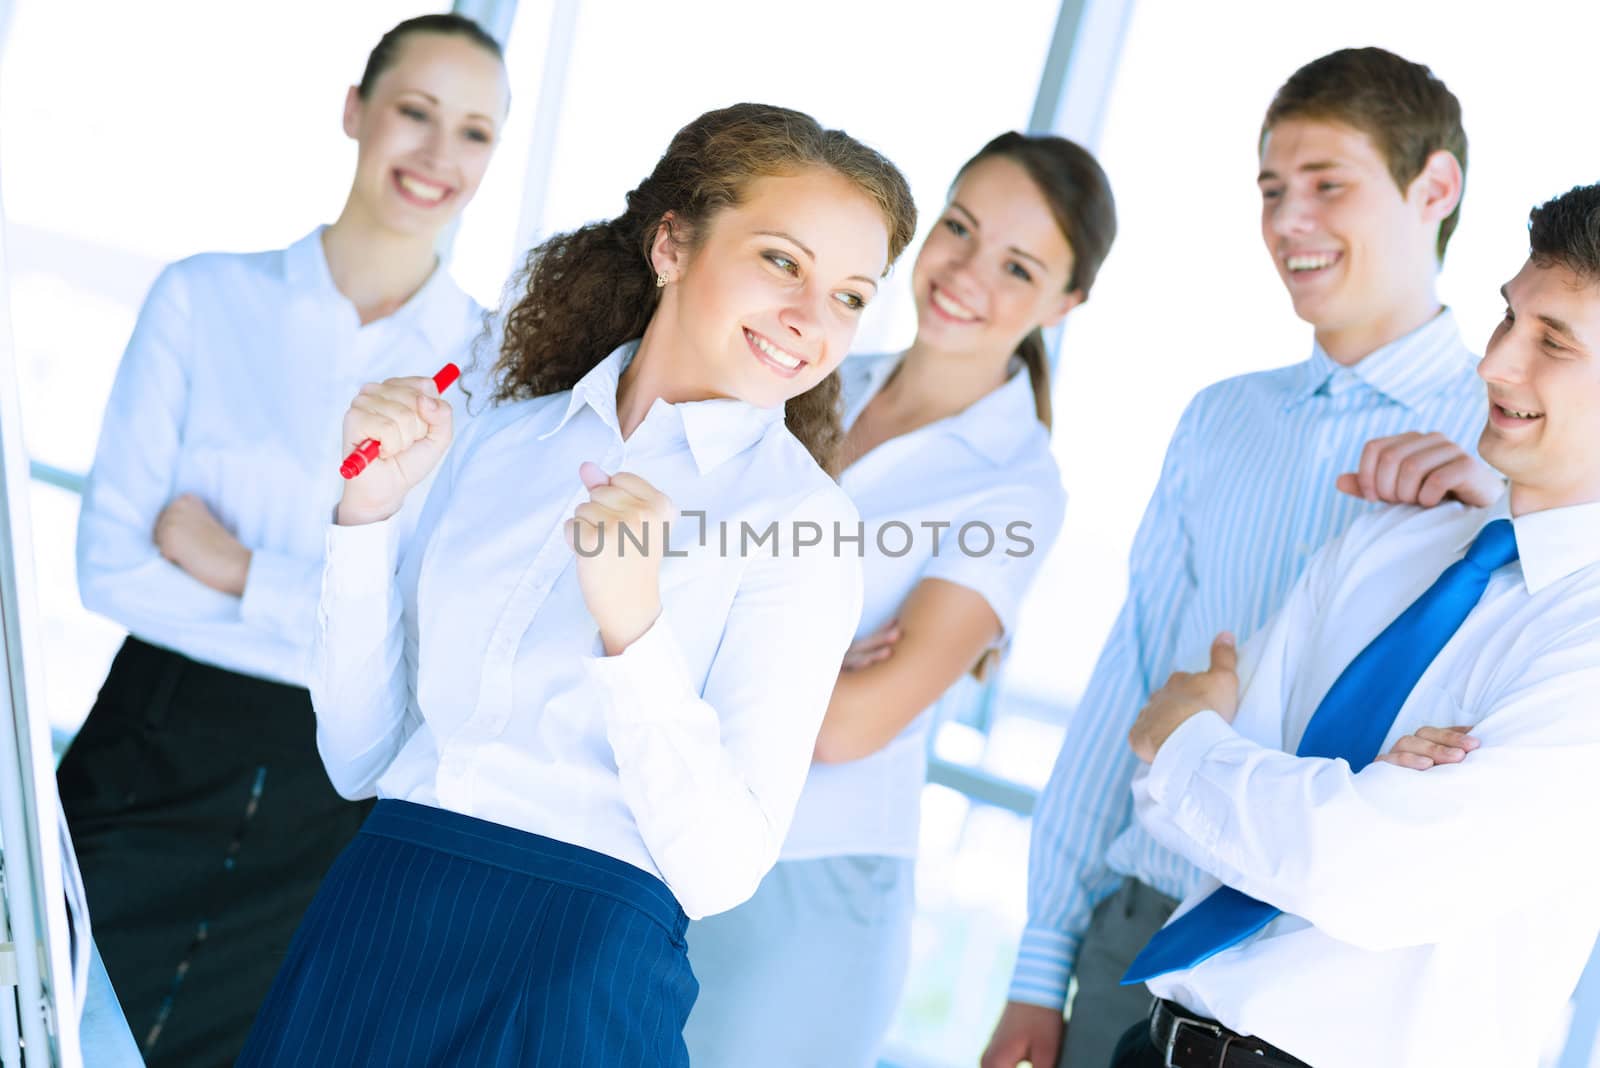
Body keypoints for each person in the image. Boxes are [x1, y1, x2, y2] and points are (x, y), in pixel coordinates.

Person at [234, 102, 918, 1067]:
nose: (812, 320)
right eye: (782, 262)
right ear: (672, 245)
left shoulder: (803, 525)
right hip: (377, 910)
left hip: (574, 971)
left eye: (852, 295)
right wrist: (369, 519)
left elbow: (722, 871)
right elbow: (360, 758)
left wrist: (632, 630)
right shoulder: (502, 443)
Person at [984, 47, 1503, 1068]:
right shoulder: (1222, 421)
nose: (1286, 222)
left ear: (1432, 187)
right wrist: (1039, 968)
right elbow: (1126, 681)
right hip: (1139, 936)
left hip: (1328, 970)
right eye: (1271, 189)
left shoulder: (1507, 446)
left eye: (1326, 186)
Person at [56, 15, 509, 1067]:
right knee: (47, 1019)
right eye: (414, 113)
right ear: (355, 112)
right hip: (150, 744)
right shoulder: (206, 298)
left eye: (475, 133)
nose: (440, 156)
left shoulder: (487, 372)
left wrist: (236, 569)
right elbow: (112, 567)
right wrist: (334, 617)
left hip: (332, 798)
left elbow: (424, 638)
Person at [1109, 180, 1600, 1068]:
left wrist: (1198, 746)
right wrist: (1337, 792)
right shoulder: (1392, 544)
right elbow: (1153, 790)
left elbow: (1375, 874)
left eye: (1552, 343)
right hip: (1156, 1044)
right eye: (1508, 319)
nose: (1493, 363)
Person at [684, 131, 1112, 1067]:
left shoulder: (1017, 484)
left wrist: (702, 635)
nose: (965, 272)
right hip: (675, 834)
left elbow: (848, 729)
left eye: (1018, 265)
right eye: (958, 228)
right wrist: (804, 658)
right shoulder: (814, 376)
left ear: (1066, 301)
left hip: (806, 893)